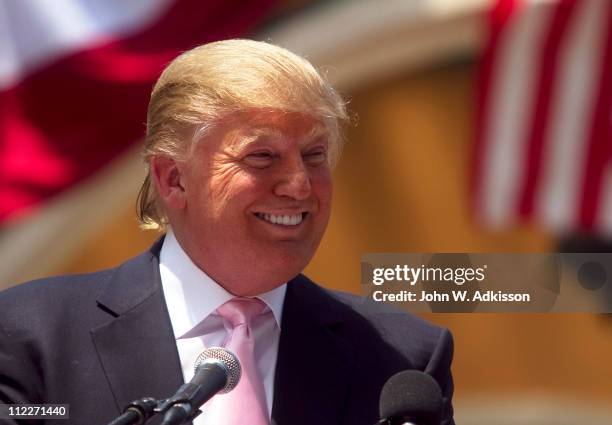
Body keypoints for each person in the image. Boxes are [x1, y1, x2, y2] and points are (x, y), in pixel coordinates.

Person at [0, 39, 454, 425]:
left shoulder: (404, 359)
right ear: (174, 178)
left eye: (314, 156)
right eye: (262, 157)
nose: (299, 185)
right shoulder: (28, 336)